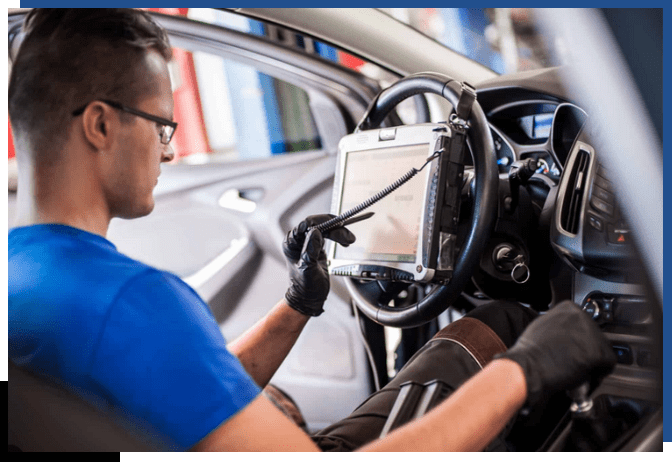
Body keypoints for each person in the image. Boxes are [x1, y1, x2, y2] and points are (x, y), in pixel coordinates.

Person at [8, 8, 616, 452]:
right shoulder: (130, 305)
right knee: (508, 327)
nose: (168, 153)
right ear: (99, 125)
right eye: (162, 128)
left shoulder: (25, 277)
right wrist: (526, 370)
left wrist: (299, 303)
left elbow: (191, 391)